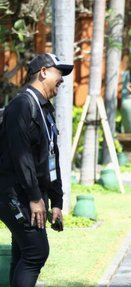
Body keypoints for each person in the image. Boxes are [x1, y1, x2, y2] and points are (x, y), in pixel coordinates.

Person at [0, 53, 73, 287]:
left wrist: (56, 200)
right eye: (58, 73)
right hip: (15, 194)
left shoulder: (45, 109)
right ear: (43, 72)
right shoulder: (21, 105)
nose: (62, 80)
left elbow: (50, 157)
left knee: (23, 252)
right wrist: (34, 197)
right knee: (36, 252)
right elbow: (20, 156)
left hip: (31, 195)